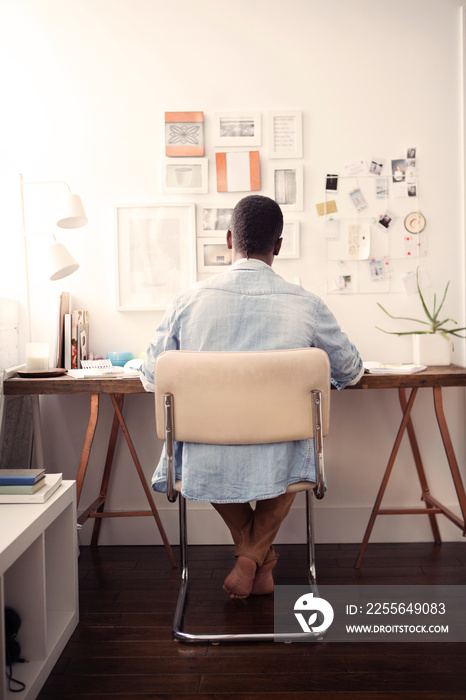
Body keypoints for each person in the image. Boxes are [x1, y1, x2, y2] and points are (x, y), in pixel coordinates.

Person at [141, 195, 363, 599]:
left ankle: (250, 558)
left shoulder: (187, 301)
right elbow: (349, 368)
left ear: (229, 239)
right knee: (297, 444)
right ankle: (258, 558)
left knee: (198, 448)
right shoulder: (307, 304)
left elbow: (153, 374)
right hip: (284, 455)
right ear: (277, 245)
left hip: (206, 452)